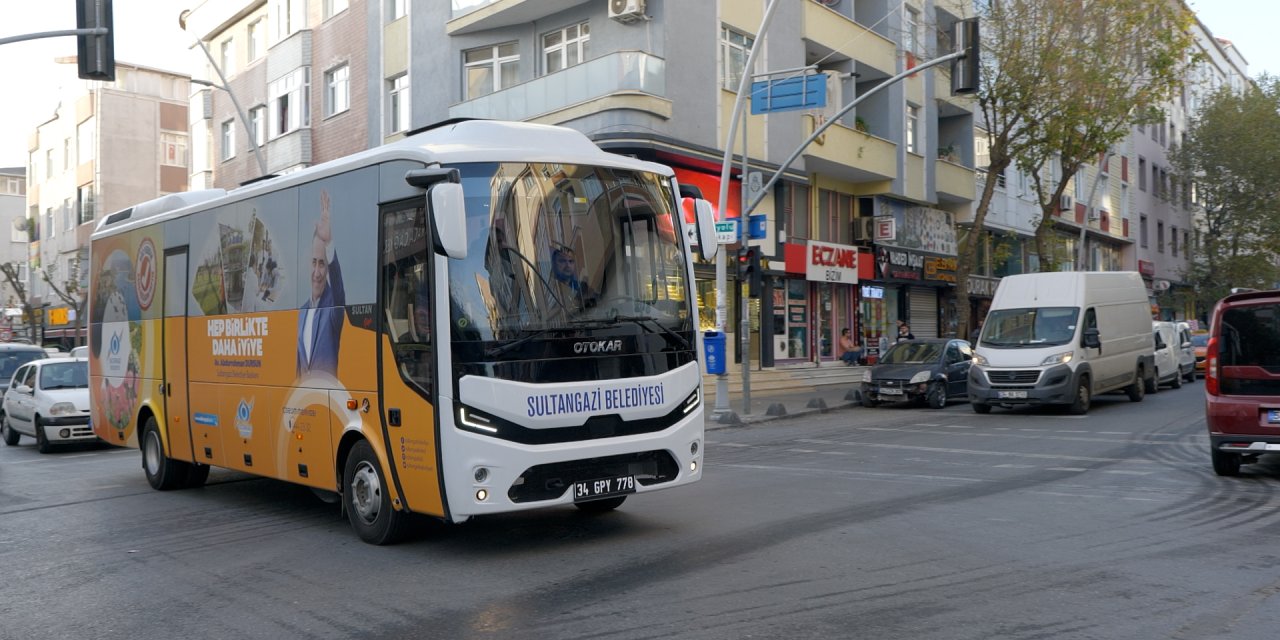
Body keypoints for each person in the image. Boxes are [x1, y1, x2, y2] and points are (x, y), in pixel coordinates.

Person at [297, 190, 345, 378]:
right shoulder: (301, 312)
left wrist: (329, 242)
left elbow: (339, 291)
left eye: (322, 264)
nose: (317, 273)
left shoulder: (333, 306)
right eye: (314, 262)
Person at [550, 246, 594, 310]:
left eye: (571, 261)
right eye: (562, 261)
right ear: (555, 266)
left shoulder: (584, 288)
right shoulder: (553, 296)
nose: (568, 265)